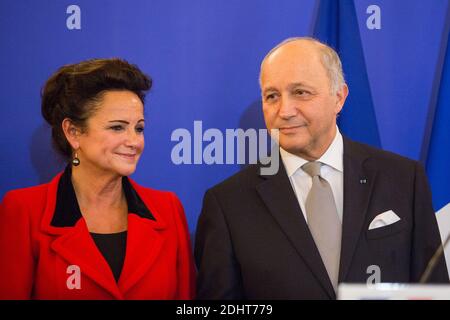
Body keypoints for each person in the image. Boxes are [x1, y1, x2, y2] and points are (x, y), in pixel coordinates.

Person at [194, 37, 449, 299]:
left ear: (338, 97)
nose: (284, 110)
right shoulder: (228, 204)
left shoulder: (404, 180)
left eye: (300, 92)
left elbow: (433, 290)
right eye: (272, 96)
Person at [0, 58, 196, 299]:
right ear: (73, 132)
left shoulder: (167, 210)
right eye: (117, 127)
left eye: (139, 128)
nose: (134, 141)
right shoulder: (24, 210)